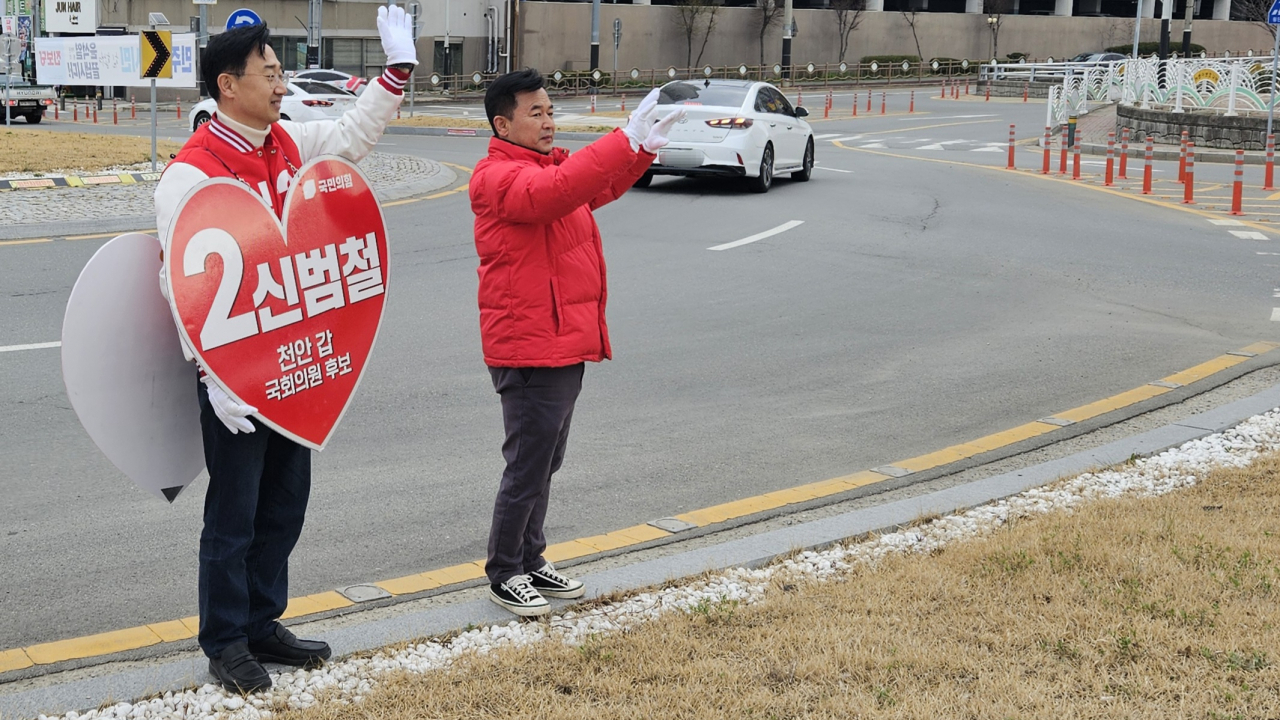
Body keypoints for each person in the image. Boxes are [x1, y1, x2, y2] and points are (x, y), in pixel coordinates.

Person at [152, 8, 417, 693]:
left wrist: (397, 71)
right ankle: (225, 640)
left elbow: (355, 134)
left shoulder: (290, 144)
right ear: (226, 85)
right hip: (234, 381)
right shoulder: (191, 174)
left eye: (280, 72)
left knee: (284, 502)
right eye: (268, 74)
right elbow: (177, 279)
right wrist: (215, 379)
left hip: (292, 369)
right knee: (233, 514)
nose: (280, 84)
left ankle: (265, 622)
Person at [470, 70, 683, 617]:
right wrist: (623, 138)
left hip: (561, 340)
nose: (548, 121)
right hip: (529, 345)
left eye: (549, 110)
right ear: (503, 123)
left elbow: (593, 188)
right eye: (535, 113)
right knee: (527, 462)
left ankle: (530, 557)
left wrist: (640, 153)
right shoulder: (497, 176)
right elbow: (556, 193)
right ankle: (504, 571)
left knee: (546, 459)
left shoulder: (545, 168)